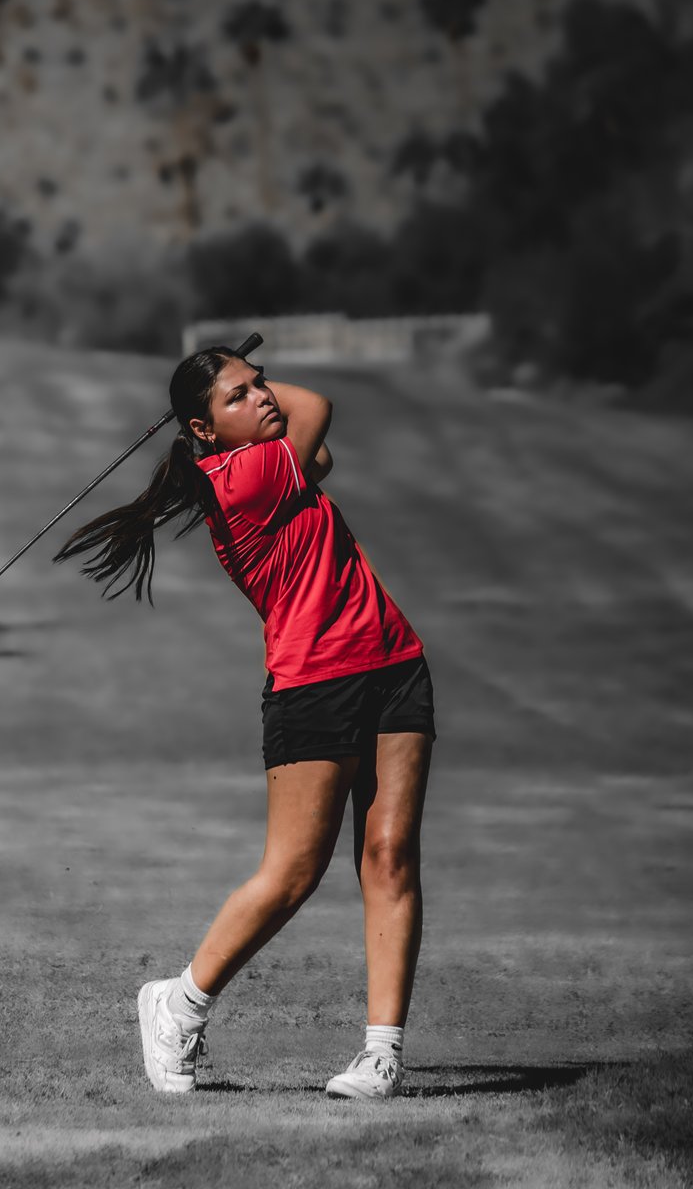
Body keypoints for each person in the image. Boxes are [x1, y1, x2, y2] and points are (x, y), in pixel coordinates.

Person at [54, 346, 435, 1100]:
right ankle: (179, 1004)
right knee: (292, 873)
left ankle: (381, 1055)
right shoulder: (245, 477)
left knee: (391, 859)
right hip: (314, 682)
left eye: (260, 385)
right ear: (202, 429)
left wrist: (230, 383)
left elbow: (315, 447)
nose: (264, 397)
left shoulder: (271, 464)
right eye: (240, 395)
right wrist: (234, 375)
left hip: (395, 663)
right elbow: (316, 407)